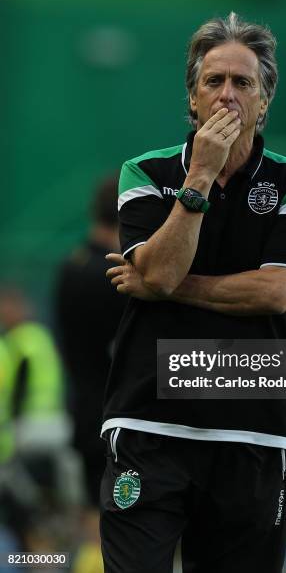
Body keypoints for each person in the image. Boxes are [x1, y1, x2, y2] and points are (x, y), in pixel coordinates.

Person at [101, 12, 286, 573]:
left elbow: (274, 293)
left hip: (253, 426)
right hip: (149, 422)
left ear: (265, 99)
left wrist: (165, 285)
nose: (227, 95)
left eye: (243, 83)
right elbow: (157, 272)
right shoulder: (147, 172)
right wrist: (198, 179)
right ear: (193, 98)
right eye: (214, 81)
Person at [55, 175, 127, 507]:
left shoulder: (71, 265)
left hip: (83, 411)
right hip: (118, 418)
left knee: (92, 513)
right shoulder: (116, 276)